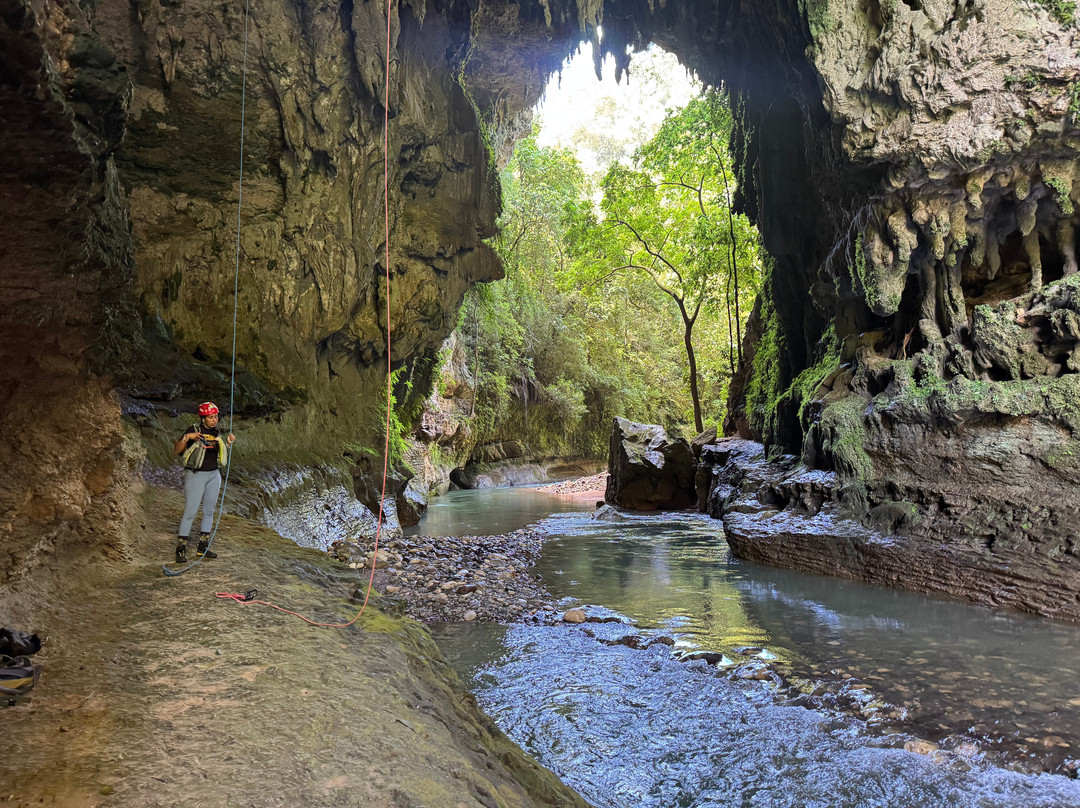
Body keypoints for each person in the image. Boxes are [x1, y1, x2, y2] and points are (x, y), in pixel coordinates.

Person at [173, 402, 235, 562]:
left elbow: (218, 453)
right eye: (210, 417)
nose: (214, 420)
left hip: (213, 475)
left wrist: (227, 443)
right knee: (190, 512)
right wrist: (188, 437)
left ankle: (203, 547)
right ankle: (181, 548)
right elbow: (177, 450)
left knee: (209, 511)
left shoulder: (216, 432)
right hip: (195, 475)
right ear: (203, 418)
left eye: (216, 417)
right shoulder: (193, 430)